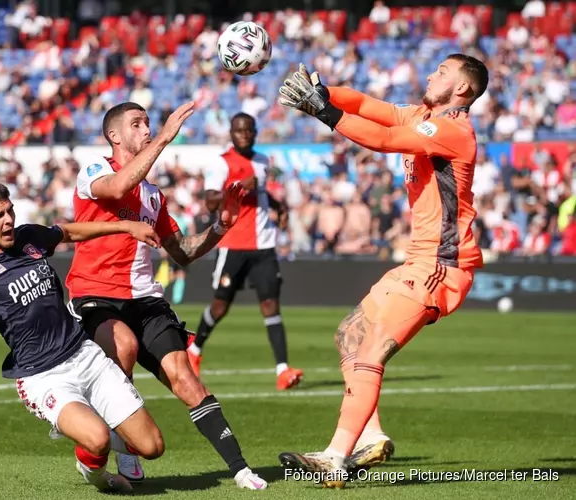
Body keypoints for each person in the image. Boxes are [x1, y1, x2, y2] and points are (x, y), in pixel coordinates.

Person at [276, 54, 488, 488]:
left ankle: (335, 456)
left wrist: (324, 112)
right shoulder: (422, 115)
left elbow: (385, 139)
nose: (430, 73)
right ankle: (371, 439)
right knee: (349, 335)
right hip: (417, 261)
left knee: (371, 352)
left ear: (462, 89)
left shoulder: (454, 131)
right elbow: (369, 105)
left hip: (440, 267)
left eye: (442, 72)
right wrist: (325, 91)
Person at [65, 101, 268, 490]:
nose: (145, 129)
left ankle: (241, 469)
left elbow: (184, 251)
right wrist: (164, 138)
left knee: (186, 379)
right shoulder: (94, 170)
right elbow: (119, 185)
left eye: (148, 123)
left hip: (145, 299)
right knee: (121, 345)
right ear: (114, 135)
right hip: (95, 294)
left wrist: (222, 225)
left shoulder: (154, 197)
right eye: (136, 124)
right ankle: (122, 443)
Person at [0, 180, 167, 494]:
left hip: (83, 354)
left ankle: (87, 426)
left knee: (152, 447)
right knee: (98, 439)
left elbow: (70, 232)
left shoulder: (28, 237)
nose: (8, 220)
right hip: (42, 376)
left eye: (9, 211)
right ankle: (94, 472)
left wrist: (125, 226)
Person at [187, 113, 303, 391]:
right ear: (230, 132)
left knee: (270, 305)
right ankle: (194, 351)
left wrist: (278, 207)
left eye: (249, 130)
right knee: (220, 306)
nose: (244, 134)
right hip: (233, 245)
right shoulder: (220, 163)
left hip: (263, 245)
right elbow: (211, 202)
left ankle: (283, 371)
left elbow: (261, 193)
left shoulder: (263, 161)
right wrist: (239, 186)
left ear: (255, 132)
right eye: (239, 130)